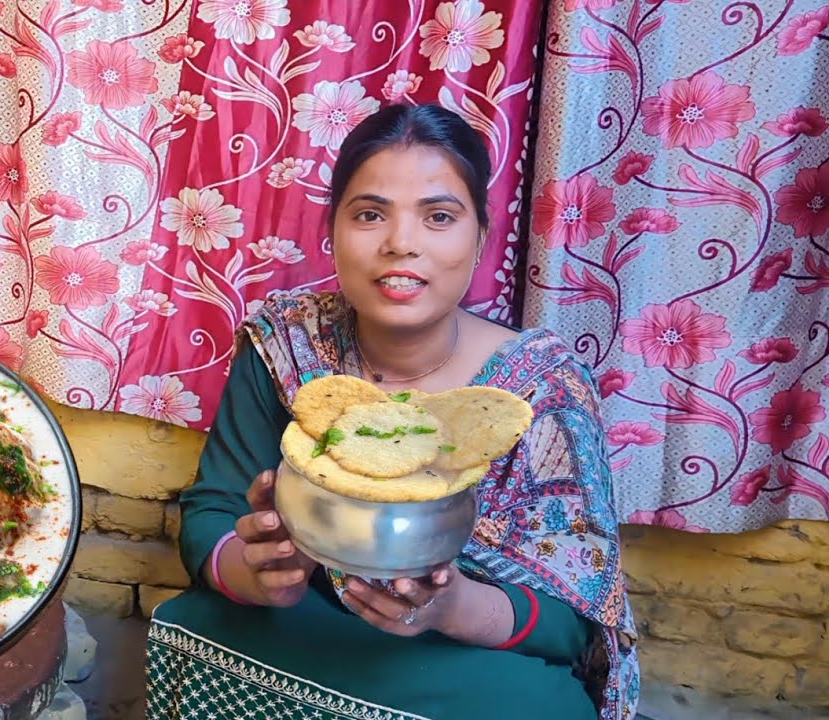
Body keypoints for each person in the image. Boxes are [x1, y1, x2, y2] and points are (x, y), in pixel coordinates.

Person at [144, 103, 639, 720]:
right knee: (195, 624)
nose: (401, 243)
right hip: (304, 620)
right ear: (332, 233)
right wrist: (256, 572)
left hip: (463, 654)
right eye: (371, 214)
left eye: (438, 216)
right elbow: (213, 509)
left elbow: (577, 625)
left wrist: (452, 607)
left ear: (481, 237)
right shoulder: (288, 344)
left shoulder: (544, 388)